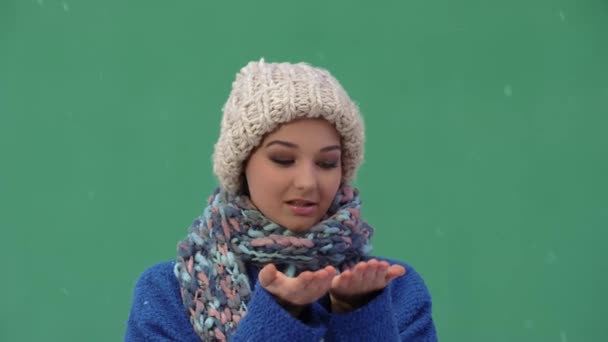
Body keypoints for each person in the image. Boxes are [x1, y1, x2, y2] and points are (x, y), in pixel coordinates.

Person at [125, 59, 437, 341]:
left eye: (327, 163)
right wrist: (279, 316)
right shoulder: (168, 295)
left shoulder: (394, 292)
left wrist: (361, 314)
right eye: (283, 159)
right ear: (242, 165)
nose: (307, 182)